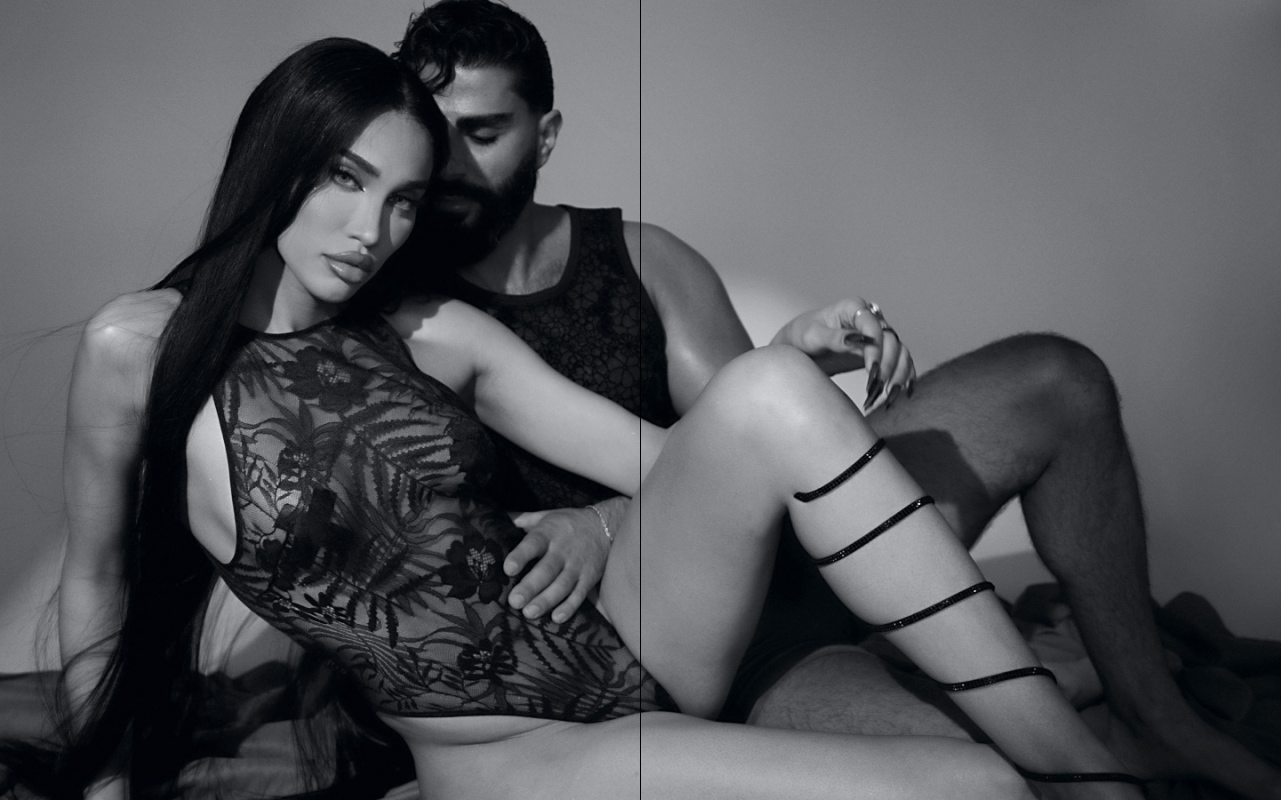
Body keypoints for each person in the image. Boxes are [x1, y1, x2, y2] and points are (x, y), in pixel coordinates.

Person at [0, 34, 1145, 800]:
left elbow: (673, 461)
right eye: (345, 179)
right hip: (512, 744)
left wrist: (786, 372)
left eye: (402, 201)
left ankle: (1092, 771)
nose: (371, 231)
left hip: (640, 628)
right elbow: (98, 580)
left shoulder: (430, 328)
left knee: (768, 391)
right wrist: (106, 783)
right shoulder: (137, 349)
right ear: (278, 159)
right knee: (977, 787)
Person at [390, 2, 1281, 798]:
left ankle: (1153, 714)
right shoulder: (406, 312)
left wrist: (795, 360)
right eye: (435, 132)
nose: (451, 162)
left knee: (1058, 378)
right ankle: (1019, 698)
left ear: (545, 135)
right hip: (718, 651)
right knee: (995, 773)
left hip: (798, 560)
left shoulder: (640, 259)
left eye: (483, 131)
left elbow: (758, 455)